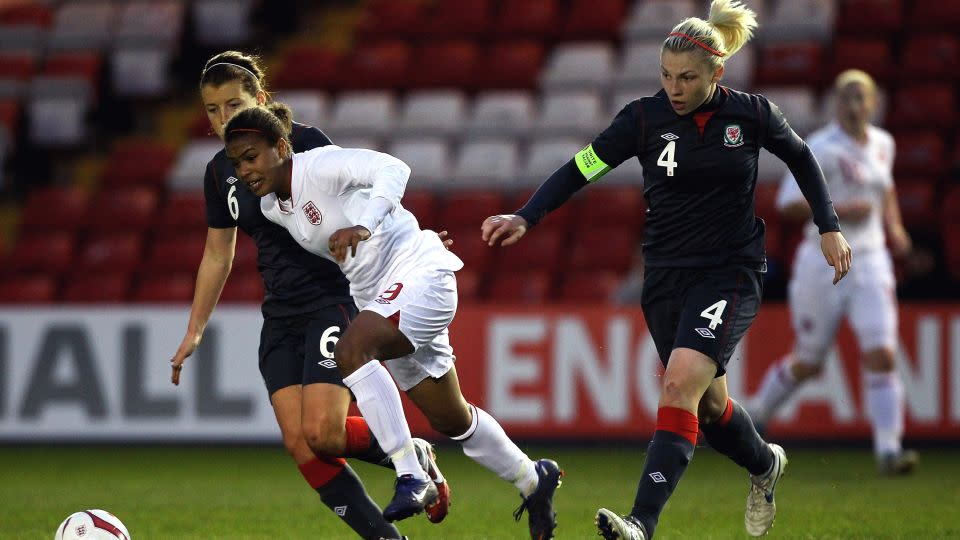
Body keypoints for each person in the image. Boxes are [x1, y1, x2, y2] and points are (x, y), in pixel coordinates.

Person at [480, 1, 852, 538]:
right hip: (666, 277)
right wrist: (527, 215)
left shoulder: (751, 114)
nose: (674, 88)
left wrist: (828, 224)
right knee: (707, 407)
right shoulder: (642, 119)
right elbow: (583, 165)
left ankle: (641, 523)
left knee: (678, 385)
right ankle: (764, 465)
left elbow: (801, 157)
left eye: (687, 78)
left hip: (730, 270)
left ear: (716, 73)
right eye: (667, 76)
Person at [222, 104, 564, 540]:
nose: (245, 169)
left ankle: (411, 475)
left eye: (252, 156)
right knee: (450, 418)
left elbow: (393, 169)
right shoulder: (273, 207)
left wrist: (367, 227)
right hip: (383, 296)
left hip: (419, 275)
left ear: (282, 147)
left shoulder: (319, 166)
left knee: (352, 350)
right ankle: (534, 480)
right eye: (237, 163)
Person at [168, 51, 449, 540]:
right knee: (303, 444)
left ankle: (407, 454)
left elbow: (355, 201)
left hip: (331, 298)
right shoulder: (220, 173)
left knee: (322, 432)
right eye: (212, 110)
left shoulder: (302, 143)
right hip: (281, 314)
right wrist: (195, 329)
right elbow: (218, 253)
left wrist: (407, 246)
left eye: (232, 104)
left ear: (260, 98)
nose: (222, 119)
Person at [747, 69, 918, 475]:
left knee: (882, 352)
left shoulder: (883, 144)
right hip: (822, 262)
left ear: (874, 103)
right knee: (809, 360)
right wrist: (836, 210)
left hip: (872, 259)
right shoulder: (819, 148)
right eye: (846, 97)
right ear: (834, 104)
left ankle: (889, 449)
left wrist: (894, 228)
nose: (854, 105)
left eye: (861, 97)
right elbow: (788, 203)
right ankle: (757, 412)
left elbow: (885, 190)